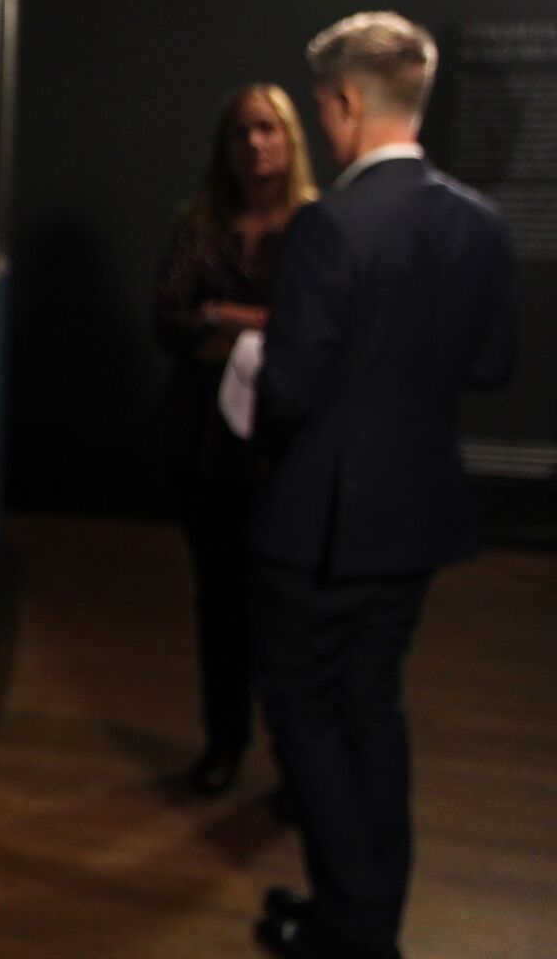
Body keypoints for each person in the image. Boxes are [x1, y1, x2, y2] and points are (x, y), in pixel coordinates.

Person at [249, 13, 517, 959]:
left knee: (304, 712)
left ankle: (352, 928)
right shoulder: (481, 222)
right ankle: (362, 922)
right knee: (372, 705)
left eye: (322, 107)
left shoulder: (330, 223)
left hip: (323, 519)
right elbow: (492, 365)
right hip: (419, 509)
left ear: (345, 101)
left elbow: (289, 388)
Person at [153, 83, 319, 795]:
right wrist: (252, 321)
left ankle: (295, 759)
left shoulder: (316, 227)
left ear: (290, 138)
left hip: (284, 443)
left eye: (267, 129)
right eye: (241, 132)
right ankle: (224, 742)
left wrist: (222, 314)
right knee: (217, 599)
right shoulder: (199, 224)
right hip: (204, 440)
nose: (255, 144)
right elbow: (168, 321)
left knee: (285, 606)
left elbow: (313, 328)